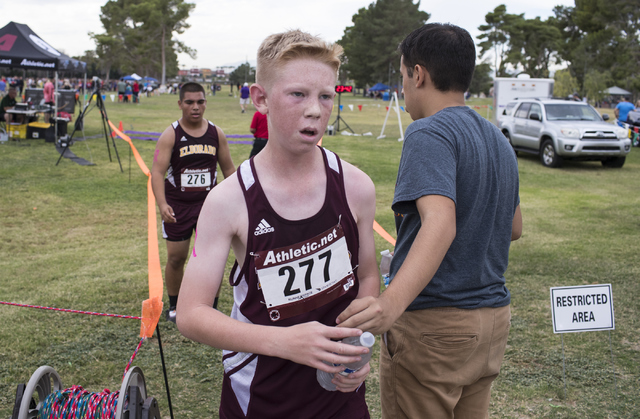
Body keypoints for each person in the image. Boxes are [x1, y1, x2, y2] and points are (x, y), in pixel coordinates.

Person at [176, 30, 379, 418]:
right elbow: (190, 314)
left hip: (339, 394)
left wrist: (358, 346)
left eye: (325, 96)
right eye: (298, 94)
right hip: (260, 394)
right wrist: (285, 342)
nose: (316, 110)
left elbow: (367, 278)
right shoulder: (228, 200)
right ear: (261, 98)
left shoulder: (356, 186)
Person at [337, 23, 522, 419]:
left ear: (417, 74)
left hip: (435, 326)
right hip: (492, 324)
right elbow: (513, 227)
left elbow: (440, 224)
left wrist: (390, 304)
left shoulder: (428, 132)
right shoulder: (498, 139)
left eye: (403, 75)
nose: (403, 86)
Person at [151, 82, 236, 323]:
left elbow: (228, 168)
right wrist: (162, 203)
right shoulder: (171, 135)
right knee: (177, 258)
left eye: (200, 102)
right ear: (180, 104)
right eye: (189, 102)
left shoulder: (216, 133)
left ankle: (211, 307)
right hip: (177, 208)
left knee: (212, 259)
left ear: (206, 103)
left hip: (210, 207)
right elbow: (157, 172)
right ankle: (175, 306)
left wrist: (240, 197)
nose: (195, 107)